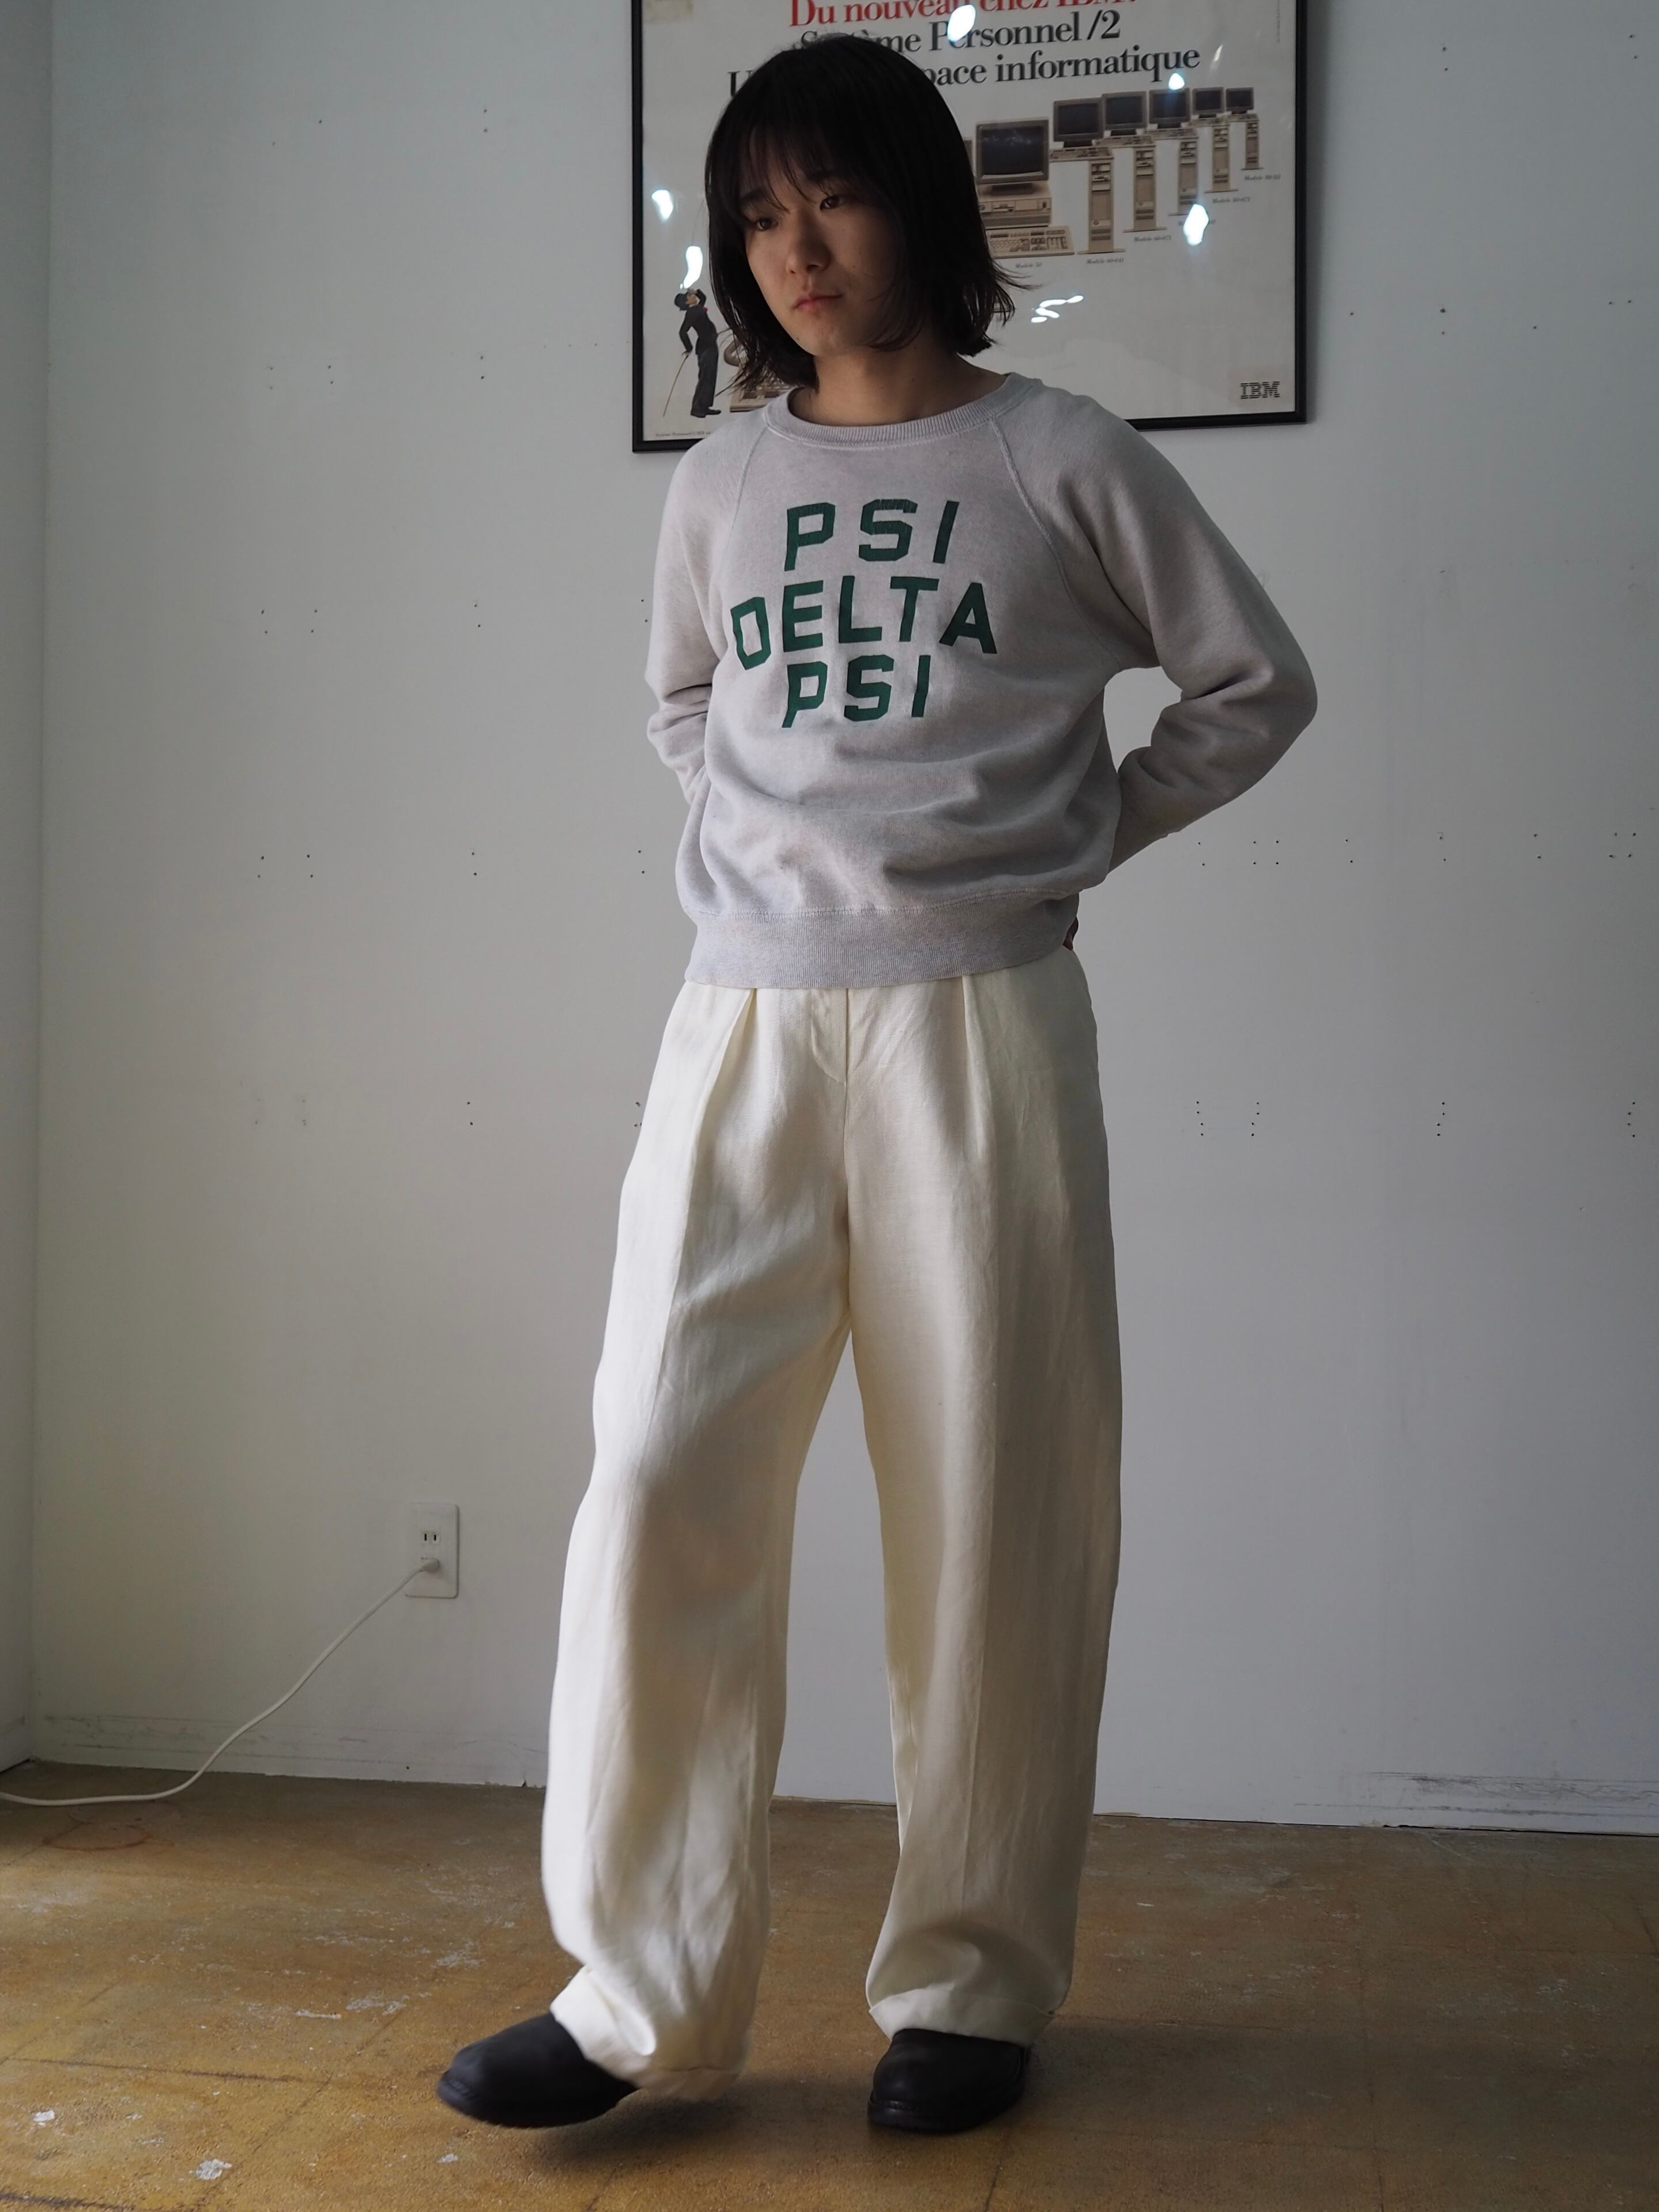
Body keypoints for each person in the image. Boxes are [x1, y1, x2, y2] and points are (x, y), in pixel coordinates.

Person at [438, 35, 1316, 2139]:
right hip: (737, 1023)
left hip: (976, 1025)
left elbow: (1248, 681)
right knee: (658, 1468)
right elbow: (683, 702)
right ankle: (633, 1986)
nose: (794, 250)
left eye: (827, 197)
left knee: (996, 1500)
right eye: (755, 216)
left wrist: (1068, 833)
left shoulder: (1057, 455)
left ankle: (969, 1982)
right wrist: (776, 852)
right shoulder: (721, 481)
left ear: (920, 198)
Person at [673, 284, 722, 418]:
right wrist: (689, 348)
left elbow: (703, 297)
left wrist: (696, 292)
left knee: (710, 377)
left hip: (710, 345)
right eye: (689, 296)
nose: (692, 296)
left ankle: (704, 407)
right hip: (706, 348)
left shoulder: (697, 309)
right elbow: (683, 332)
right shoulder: (692, 313)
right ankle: (698, 408)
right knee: (705, 378)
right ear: (687, 302)